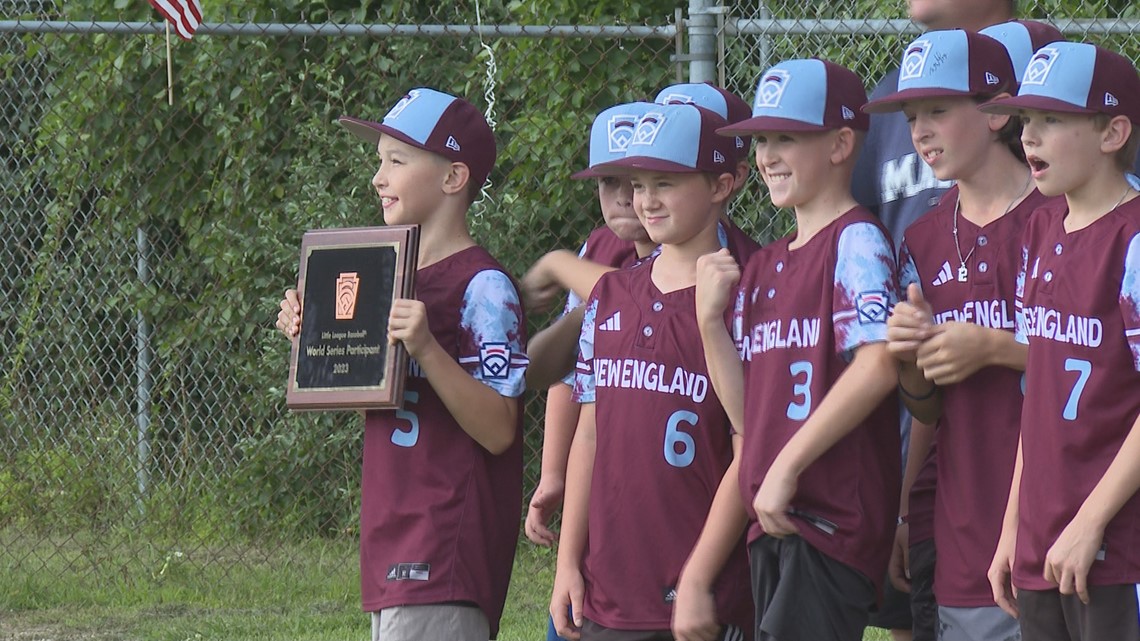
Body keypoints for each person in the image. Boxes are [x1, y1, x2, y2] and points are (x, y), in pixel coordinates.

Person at [275, 87, 528, 641]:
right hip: (392, 540)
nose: (378, 177)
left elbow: (500, 430)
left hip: (444, 549)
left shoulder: (484, 286)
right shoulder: (384, 275)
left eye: (397, 160)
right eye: (378, 161)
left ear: (453, 177)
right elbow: (346, 381)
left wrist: (429, 350)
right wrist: (309, 329)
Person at [866, 26, 1060, 641]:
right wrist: (911, 358)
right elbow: (927, 406)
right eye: (912, 114)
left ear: (999, 112)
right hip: (957, 507)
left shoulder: (1062, 216)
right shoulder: (920, 237)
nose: (919, 130)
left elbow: (1104, 357)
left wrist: (995, 348)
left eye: (940, 110)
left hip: (1060, 499)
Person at [697, 58, 901, 641]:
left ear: (840, 144)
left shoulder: (856, 240)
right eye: (761, 139)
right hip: (775, 512)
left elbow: (880, 362)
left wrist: (787, 464)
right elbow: (748, 416)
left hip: (829, 513)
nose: (766, 155)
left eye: (786, 137)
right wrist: (711, 324)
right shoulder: (764, 263)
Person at [550, 102, 755, 641]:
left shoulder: (747, 295)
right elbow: (589, 432)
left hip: (701, 590)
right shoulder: (611, 293)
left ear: (721, 185)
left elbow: (750, 443)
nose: (645, 200)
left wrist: (698, 578)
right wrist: (568, 561)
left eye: (665, 181)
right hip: (609, 588)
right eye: (638, 184)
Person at [981, 41, 1140, 641]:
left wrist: (1092, 521)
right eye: (1026, 120)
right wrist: (1013, 528)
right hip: (1043, 538)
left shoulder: (1132, 238)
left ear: (1112, 131)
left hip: (1116, 544)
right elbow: (1040, 398)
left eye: (1053, 119)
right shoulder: (1042, 227)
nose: (1030, 136)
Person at [526, 102, 659, 641]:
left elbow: (653, 296)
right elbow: (561, 373)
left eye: (640, 179)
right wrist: (552, 473)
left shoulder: (704, 248)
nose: (627, 195)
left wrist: (562, 267)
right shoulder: (599, 246)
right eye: (610, 181)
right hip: (599, 479)